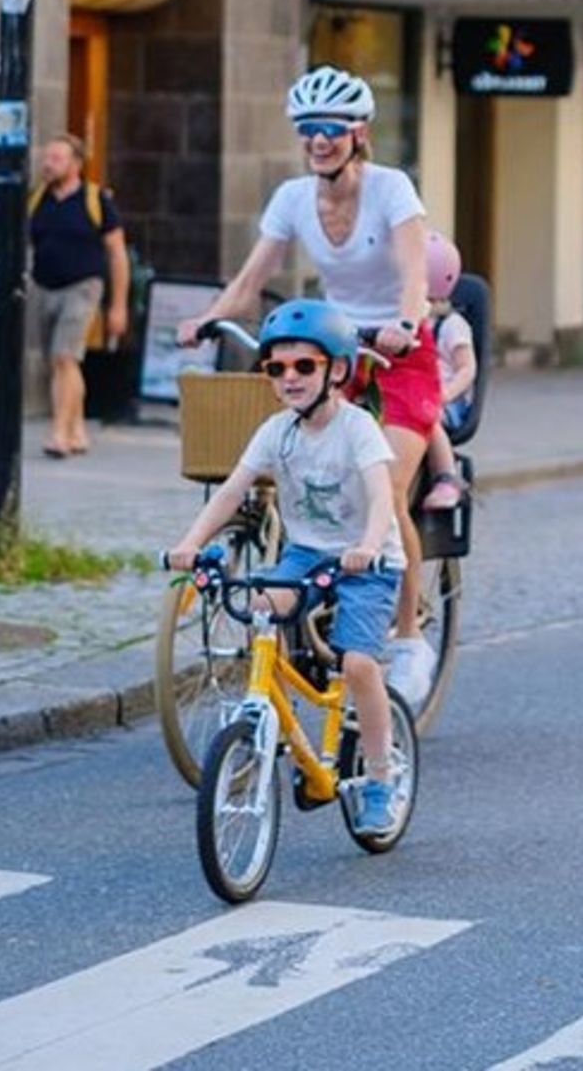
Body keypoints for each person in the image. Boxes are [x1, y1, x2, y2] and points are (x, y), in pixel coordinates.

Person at [177, 66, 443, 703]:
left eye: (329, 129)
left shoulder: (391, 189)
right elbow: (249, 280)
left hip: (399, 353)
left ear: (358, 132)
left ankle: (407, 637)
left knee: (389, 483)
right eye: (307, 130)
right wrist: (210, 317)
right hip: (335, 349)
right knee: (300, 463)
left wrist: (406, 322)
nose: (318, 141)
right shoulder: (294, 199)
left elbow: (414, 273)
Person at [164, 300, 405, 835]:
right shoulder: (276, 431)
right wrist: (189, 544)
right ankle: (266, 719)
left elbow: (381, 496)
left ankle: (382, 778)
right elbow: (231, 492)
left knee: (360, 665)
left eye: (304, 366)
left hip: (367, 560)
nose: (289, 378)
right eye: (276, 368)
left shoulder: (358, 428)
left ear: (337, 370)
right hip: (304, 554)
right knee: (258, 606)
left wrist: (367, 543)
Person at [27, 134, 128, 459]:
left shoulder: (96, 200)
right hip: (44, 287)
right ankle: (78, 427)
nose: (47, 164)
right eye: (46, 157)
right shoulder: (37, 199)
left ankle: (59, 434)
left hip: (83, 287)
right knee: (61, 363)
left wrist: (118, 306)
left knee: (64, 357)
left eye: (56, 159)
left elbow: (117, 254)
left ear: (75, 164)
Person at [419, 232, 475, 513]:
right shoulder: (403, 318)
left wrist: (445, 394)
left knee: (424, 415)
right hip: (408, 391)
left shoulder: (450, 325)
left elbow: (467, 368)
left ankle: (446, 477)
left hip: (443, 402)